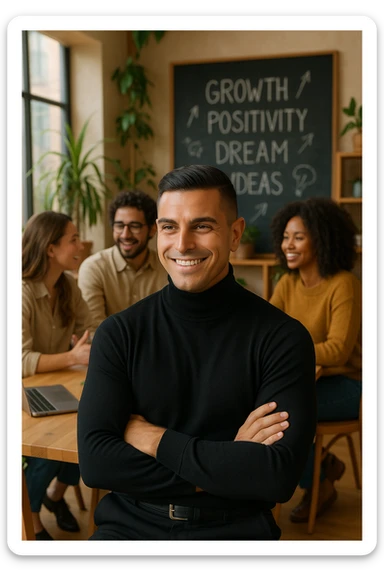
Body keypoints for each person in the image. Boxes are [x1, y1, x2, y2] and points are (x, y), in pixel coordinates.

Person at [77, 164, 317, 541]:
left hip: (233, 531)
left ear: (235, 234)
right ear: (158, 233)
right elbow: (96, 464)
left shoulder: (283, 339)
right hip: (127, 529)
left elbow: (275, 476)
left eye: (202, 226)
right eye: (170, 227)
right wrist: (229, 461)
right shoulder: (119, 333)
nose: (183, 243)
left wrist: (154, 440)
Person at [269, 196, 362, 523]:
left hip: (350, 385)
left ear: (321, 239)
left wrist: (290, 353)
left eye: (299, 237)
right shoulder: (287, 283)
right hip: (307, 379)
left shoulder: (344, 284)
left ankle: (319, 483)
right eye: (285, 236)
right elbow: (267, 337)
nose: (288, 245)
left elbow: (337, 350)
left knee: (286, 412)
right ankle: (321, 465)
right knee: (260, 403)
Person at [22, 211, 94, 540]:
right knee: (46, 451)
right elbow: (18, 360)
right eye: (74, 239)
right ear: (51, 249)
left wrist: (87, 345)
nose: (81, 245)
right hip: (21, 395)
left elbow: (88, 329)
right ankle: (31, 518)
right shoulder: (20, 292)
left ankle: (54, 498)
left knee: (89, 433)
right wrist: (72, 355)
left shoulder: (67, 285)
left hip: (56, 386)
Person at [77, 189, 168, 332]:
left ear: (152, 230)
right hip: (112, 352)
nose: (125, 234)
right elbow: (94, 330)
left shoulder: (168, 267)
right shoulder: (94, 268)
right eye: (119, 226)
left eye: (134, 226)